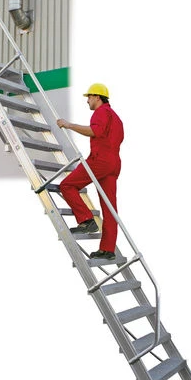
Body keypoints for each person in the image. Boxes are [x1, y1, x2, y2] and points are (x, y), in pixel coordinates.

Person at [57, 83, 124, 260]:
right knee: (109, 207)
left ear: (97, 97)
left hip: (100, 160)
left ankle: (86, 220)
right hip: (114, 163)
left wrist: (69, 125)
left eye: (89, 97)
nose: (87, 101)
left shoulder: (101, 112)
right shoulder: (116, 118)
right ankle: (108, 250)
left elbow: (95, 131)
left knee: (67, 185)